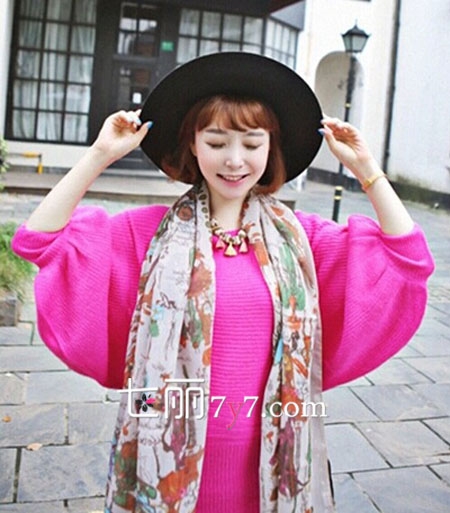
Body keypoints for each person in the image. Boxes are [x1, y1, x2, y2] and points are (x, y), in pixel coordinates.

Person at [12, 53, 434, 513]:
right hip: (163, 461)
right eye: (216, 142)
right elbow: (38, 241)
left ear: (270, 148)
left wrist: (367, 169)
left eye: (252, 143)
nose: (235, 161)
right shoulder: (146, 234)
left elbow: (408, 259)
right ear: (193, 145)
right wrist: (99, 156)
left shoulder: (303, 240)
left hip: (272, 464)